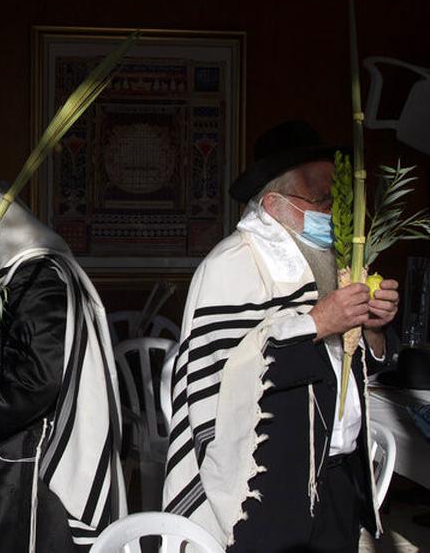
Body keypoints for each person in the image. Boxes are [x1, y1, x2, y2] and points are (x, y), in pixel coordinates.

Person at [163, 120, 400, 551]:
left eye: (336, 199)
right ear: (274, 204)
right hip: (267, 485)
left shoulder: (331, 258)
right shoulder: (231, 265)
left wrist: (374, 328)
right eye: (322, 199)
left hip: (337, 476)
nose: (334, 213)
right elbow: (221, 383)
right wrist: (316, 324)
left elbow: (357, 365)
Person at [0, 175, 126, 551]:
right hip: (23, 454)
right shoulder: (30, 273)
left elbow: (35, 383)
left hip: (33, 464)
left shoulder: (39, 277)